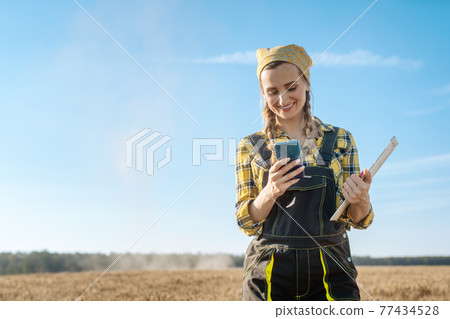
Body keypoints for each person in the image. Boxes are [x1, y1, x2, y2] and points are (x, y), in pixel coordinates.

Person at [235, 44, 375, 301]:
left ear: (307, 84)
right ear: (263, 94)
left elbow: (358, 219)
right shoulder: (249, 146)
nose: (283, 99)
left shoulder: (341, 139)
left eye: (291, 87)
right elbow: (246, 221)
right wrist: (270, 191)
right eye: (272, 91)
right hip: (269, 269)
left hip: (330, 267)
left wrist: (361, 199)